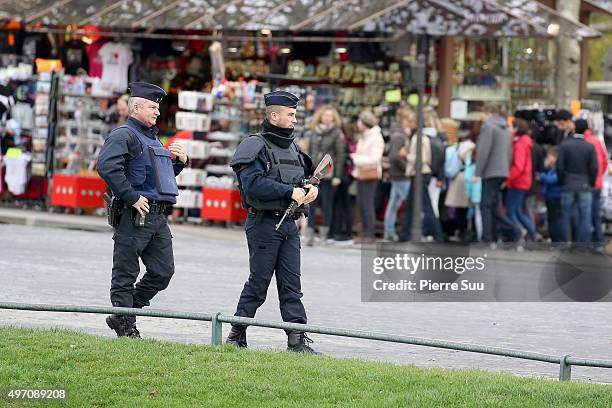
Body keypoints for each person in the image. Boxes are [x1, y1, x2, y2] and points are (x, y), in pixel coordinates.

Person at [226, 90, 320, 353]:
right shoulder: (254, 146)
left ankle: (297, 340)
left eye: (295, 115)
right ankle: (237, 334)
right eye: (290, 115)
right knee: (258, 284)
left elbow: (303, 179)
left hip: (289, 225)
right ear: (274, 115)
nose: (294, 120)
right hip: (265, 224)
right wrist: (289, 192)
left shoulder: (293, 148)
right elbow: (253, 185)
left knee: (292, 286)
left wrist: (310, 190)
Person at [97, 82, 189, 338]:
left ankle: (124, 313)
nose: (157, 112)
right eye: (152, 106)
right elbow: (107, 167)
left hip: (156, 216)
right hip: (133, 214)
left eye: (158, 107)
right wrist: (131, 196)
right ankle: (126, 326)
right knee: (126, 272)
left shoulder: (152, 138)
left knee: (163, 272)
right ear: (136, 108)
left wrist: (180, 163)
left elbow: (157, 177)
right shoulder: (123, 134)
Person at [473, 104, 519, 245]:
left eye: (482, 113)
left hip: (490, 171)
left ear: (488, 113)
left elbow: (483, 151)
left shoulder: (488, 127)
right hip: (502, 171)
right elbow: (509, 153)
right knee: (492, 205)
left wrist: (477, 172)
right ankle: (510, 230)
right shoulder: (506, 129)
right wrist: (506, 171)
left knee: (485, 205)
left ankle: (487, 238)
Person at [304, 105, 346, 245]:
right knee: (311, 203)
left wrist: (337, 176)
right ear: (320, 116)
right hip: (314, 174)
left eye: (330, 116)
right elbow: (310, 152)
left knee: (327, 204)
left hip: (328, 174)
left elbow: (340, 156)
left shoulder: (337, 133)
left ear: (334, 118)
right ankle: (309, 233)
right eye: (325, 115)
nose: (327, 118)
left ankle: (323, 235)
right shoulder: (314, 131)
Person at [557, 119, 598, 248]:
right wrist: (590, 183)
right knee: (585, 216)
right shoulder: (590, 147)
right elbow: (594, 168)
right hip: (584, 184)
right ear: (586, 130)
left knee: (565, 215)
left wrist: (562, 181)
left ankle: (564, 242)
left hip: (568, 183)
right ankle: (582, 244)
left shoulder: (565, 145)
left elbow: (559, 167)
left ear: (574, 128)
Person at [350, 110, 384, 244]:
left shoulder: (375, 137)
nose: (357, 124)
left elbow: (375, 159)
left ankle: (369, 233)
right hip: (361, 174)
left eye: (359, 121)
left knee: (367, 204)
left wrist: (356, 159)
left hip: (370, 174)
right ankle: (364, 232)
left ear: (365, 123)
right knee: (362, 204)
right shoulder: (365, 136)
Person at [383, 108, 414, 241]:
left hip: (397, 174)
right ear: (405, 120)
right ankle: (396, 231)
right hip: (401, 175)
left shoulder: (399, 134)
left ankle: (389, 231)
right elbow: (395, 157)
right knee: (408, 202)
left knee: (394, 203)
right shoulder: (399, 136)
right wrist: (408, 168)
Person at [505, 118, 536, 242]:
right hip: (522, 181)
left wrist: (508, 179)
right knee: (517, 211)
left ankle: (519, 232)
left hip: (517, 182)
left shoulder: (520, 144)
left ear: (516, 129)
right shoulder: (524, 142)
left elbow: (518, 166)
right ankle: (531, 234)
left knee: (512, 211)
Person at [584, 125, 609, 247]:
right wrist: (600, 175)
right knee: (596, 212)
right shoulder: (597, 141)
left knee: (586, 213)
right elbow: (605, 161)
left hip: (587, 183)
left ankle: (587, 241)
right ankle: (599, 239)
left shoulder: (583, 142)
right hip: (598, 182)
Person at [540, 147, 562, 243]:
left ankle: (556, 240)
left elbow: (551, 180)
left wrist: (541, 176)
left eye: (549, 157)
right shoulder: (551, 168)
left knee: (554, 220)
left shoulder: (558, 168)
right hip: (550, 196)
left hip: (555, 196)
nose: (548, 159)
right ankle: (554, 239)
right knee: (551, 219)